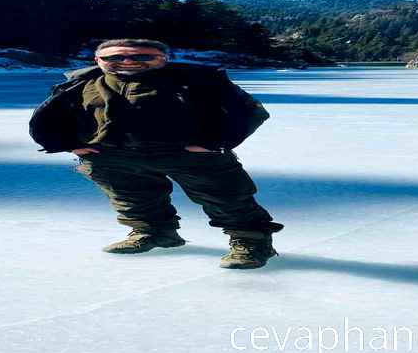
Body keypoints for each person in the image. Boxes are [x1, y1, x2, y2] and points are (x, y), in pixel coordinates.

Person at [29, 38, 283, 269]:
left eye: (142, 57)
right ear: (98, 60)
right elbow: (52, 117)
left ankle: (253, 243)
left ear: (163, 59)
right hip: (112, 156)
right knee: (132, 198)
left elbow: (248, 112)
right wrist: (67, 144)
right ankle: (154, 233)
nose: (128, 62)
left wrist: (215, 143)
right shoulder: (79, 84)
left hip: (189, 155)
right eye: (115, 58)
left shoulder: (197, 81)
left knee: (228, 199)